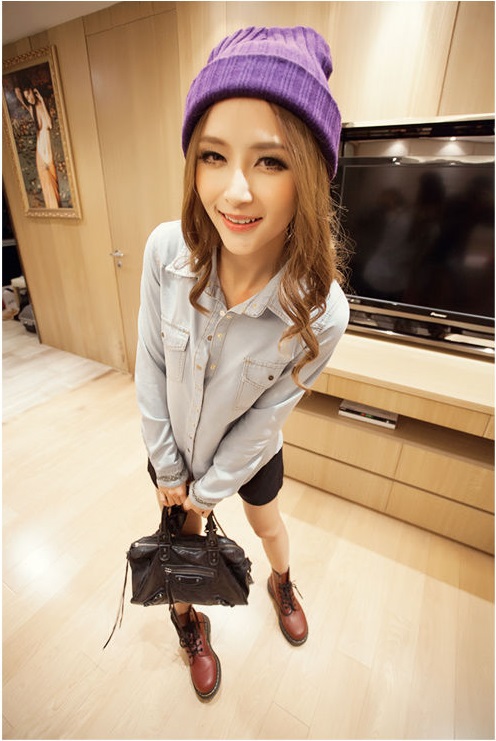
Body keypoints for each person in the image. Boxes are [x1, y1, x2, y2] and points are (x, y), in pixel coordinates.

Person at [135, 25, 349, 701]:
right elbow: (149, 364)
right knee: (176, 546)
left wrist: (208, 492)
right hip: (172, 452)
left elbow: (265, 419)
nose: (234, 192)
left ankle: (282, 582)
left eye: (271, 162)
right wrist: (171, 470)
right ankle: (188, 621)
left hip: (248, 458)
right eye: (213, 156)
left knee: (266, 524)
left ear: (309, 173)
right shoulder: (164, 253)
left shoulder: (321, 311)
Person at [14, 82, 61, 209]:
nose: (29, 98)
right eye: (27, 97)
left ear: (33, 91)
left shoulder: (41, 105)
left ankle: (56, 207)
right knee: (45, 178)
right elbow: (19, 94)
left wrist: (42, 101)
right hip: (40, 147)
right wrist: (22, 94)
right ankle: (51, 207)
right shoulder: (32, 109)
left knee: (52, 176)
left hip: (47, 145)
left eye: (29, 94)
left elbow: (49, 124)